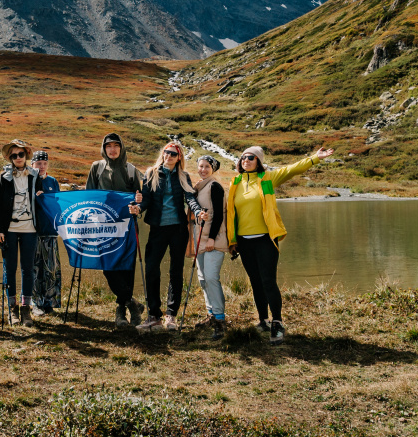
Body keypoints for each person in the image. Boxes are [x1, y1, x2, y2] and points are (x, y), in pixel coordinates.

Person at [226, 144, 334, 345]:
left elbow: (292, 169)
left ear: (259, 161)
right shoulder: (235, 182)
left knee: (268, 281)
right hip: (244, 241)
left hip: (266, 238)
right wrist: (232, 241)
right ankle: (262, 320)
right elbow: (232, 214)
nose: (246, 160)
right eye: (243, 158)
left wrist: (315, 158)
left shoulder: (267, 179)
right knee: (255, 282)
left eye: (251, 158)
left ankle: (277, 322)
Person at [130, 141, 205, 333]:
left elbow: (190, 198)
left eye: (173, 154)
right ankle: (154, 315)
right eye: (166, 153)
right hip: (157, 228)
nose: (168, 156)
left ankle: (171, 315)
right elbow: (146, 199)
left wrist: (197, 212)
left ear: (179, 157)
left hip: (178, 229)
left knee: (175, 271)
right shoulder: (151, 173)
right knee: (152, 269)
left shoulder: (183, 176)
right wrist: (138, 208)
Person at [86, 132, 144, 327]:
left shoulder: (130, 170)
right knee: (108, 266)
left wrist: (138, 205)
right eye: (108, 146)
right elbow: (89, 196)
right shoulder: (96, 167)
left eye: (116, 146)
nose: (112, 150)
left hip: (127, 226)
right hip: (102, 227)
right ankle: (132, 303)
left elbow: (139, 198)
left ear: (121, 148)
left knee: (127, 267)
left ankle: (121, 312)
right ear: (104, 149)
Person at [0, 139, 44, 327]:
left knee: (28, 269)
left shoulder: (35, 175)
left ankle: (26, 310)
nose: (18, 158)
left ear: (26, 155)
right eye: (13, 155)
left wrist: (41, 196)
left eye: (20, 154)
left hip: (30, 228)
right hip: (10, 230)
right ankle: (12, 309)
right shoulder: (3, 178)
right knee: (10, 268)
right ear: (10, 158)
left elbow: (42, 201)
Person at [189, 155, 228, 340]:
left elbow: (219, 214)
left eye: (207, 166)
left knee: (212, 278)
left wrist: (212, 238)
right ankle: (211, 314)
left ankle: (220, 320)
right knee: (203, 280)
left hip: (214, 240)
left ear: (213, 169)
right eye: (201, 166)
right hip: (200, 240)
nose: (203, 169)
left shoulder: (215, 186)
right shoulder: (198, 187)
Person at [30, 150, 62, 316]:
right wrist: (36, 198)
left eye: (44, 163)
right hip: (33, 232)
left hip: (50, 231)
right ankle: (36, 303)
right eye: (38, 163)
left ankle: (49, 302)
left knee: (50, 268)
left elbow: (58, 205)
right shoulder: (29, 181)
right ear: (32, 165)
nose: (41, 166)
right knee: (36, 269)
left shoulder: (52, 181)